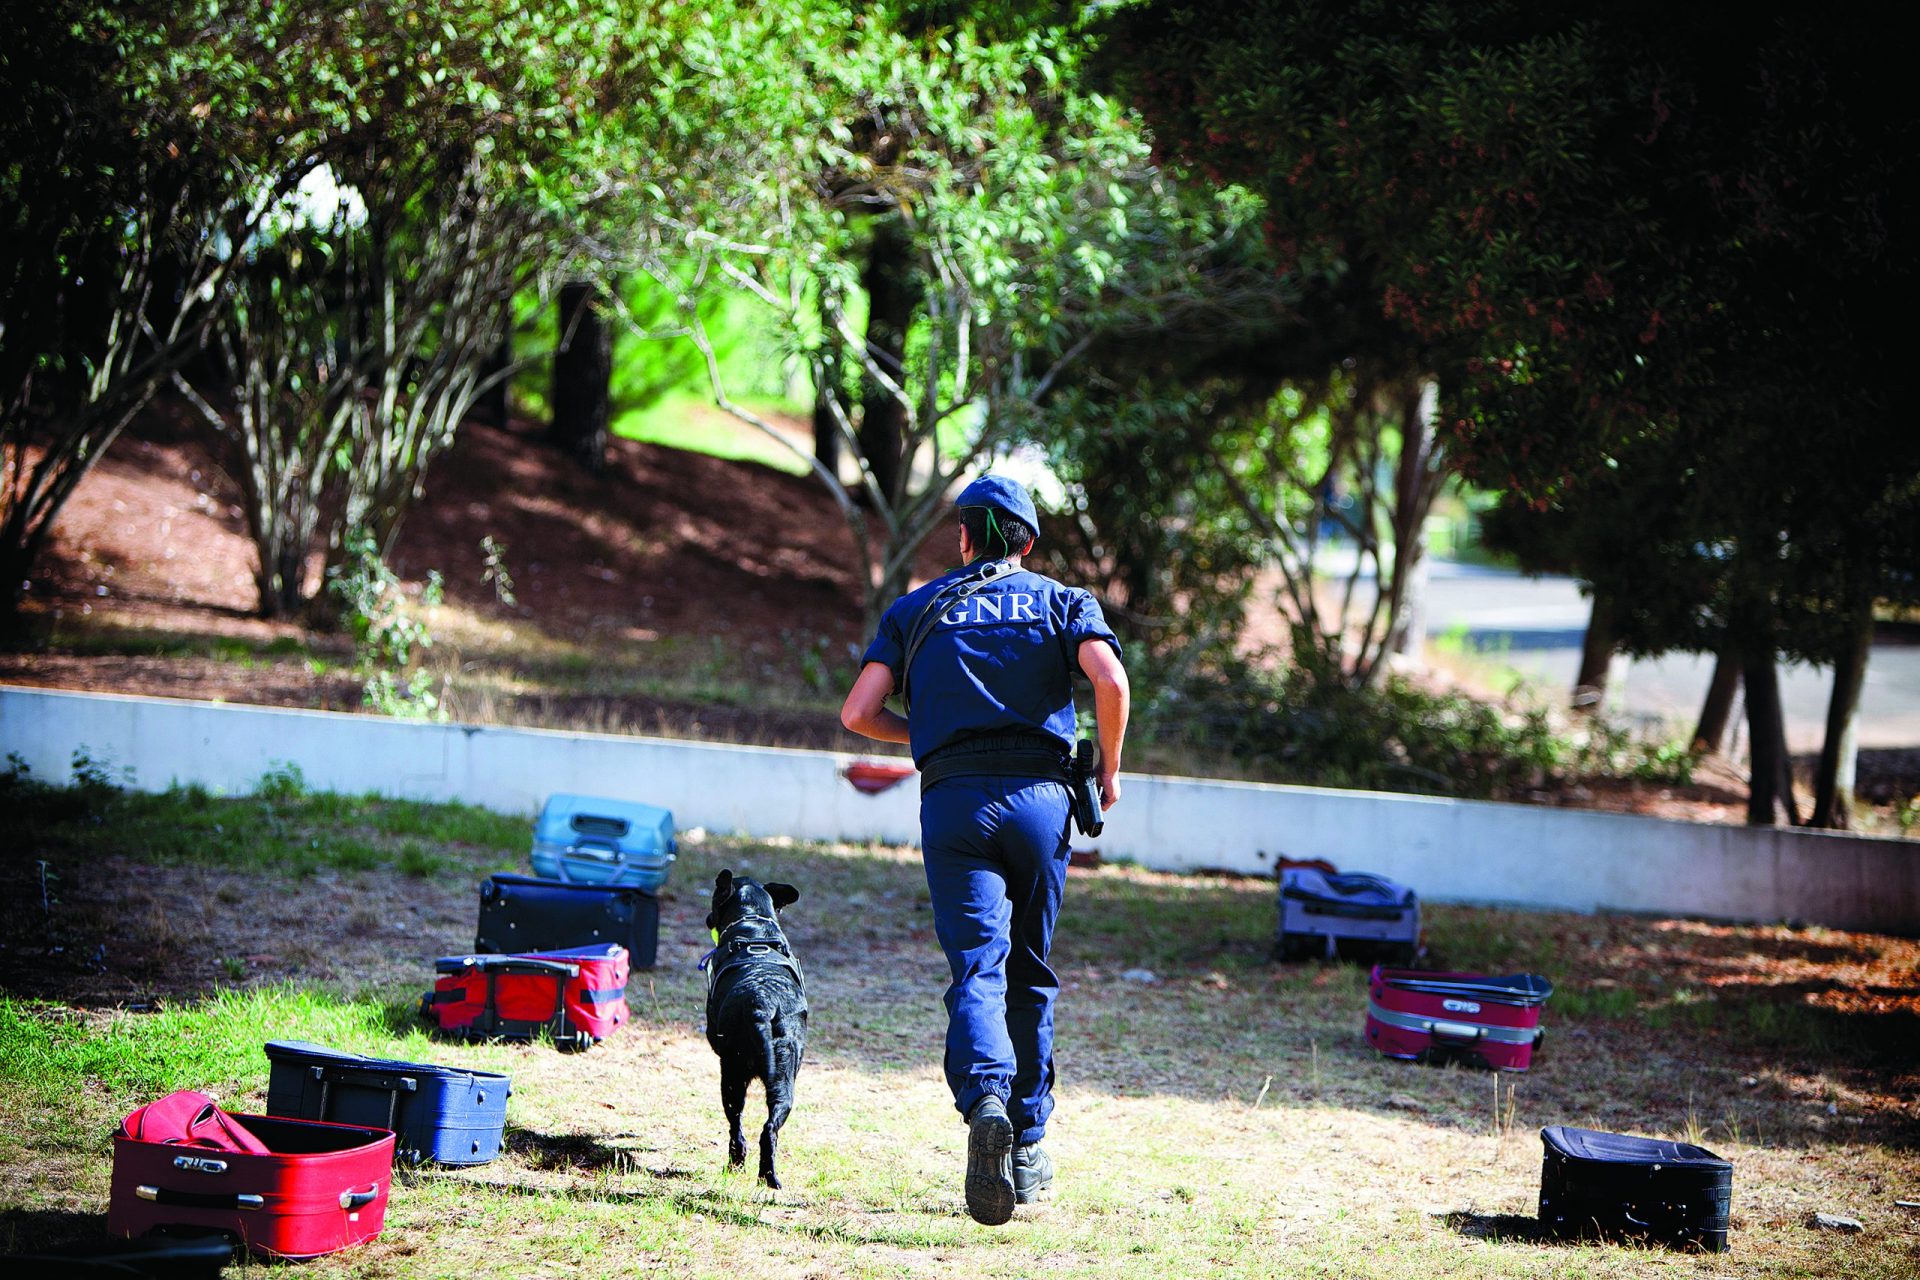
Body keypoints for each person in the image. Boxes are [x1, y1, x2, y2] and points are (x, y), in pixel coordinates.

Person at [839, 474, 1129, 1225]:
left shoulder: (918, 607)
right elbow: (1111, 681)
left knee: (978, 966)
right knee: (1030, 972)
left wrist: (933, 739)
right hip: (1040, 802)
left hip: (954, 804)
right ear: (1026, 541)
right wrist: (1108, 768)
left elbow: (858, 713)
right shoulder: (1064, 601)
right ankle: (1027, 1147)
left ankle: (986, 1101)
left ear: (964, 537)